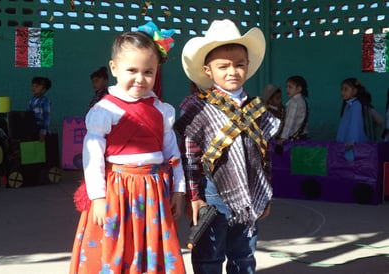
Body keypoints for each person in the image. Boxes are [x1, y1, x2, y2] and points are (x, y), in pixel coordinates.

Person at [69, 21, 186, 274]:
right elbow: (93, 156)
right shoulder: (104, 110)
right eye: (131, 70)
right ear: (114, 68)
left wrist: (178, 189)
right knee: (116, 247)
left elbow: (172, 154)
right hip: (116, 191)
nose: (140, 79)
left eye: (148, 72)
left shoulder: (162, 111)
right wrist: (97, 197)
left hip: (154, 191)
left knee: (150, 248)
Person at [174, 19, 280, 274]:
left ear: (248, 66)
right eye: (223, 66)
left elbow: (264, 155)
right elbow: (190, 157)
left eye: (239, 65)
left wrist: (265, 194)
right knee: (208, 256)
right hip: (211, 194)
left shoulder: (257, 108)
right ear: (208, 70)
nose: (232, 71)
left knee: (244, 256)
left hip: (249, 196)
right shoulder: (198, 107)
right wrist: (195, 197)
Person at [278, 75, 309, 144]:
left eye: (290, 87)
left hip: (295, 138)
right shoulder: (303, 101)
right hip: (303, 136)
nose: (287, 89)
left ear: (299, 89)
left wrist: (283, 137)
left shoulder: (294, 102)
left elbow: (290, 121)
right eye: (287, 87)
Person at [27, 76, 51, 142]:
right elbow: (28, 115)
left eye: (37, 86)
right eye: (33, 86)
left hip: (41, 131)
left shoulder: (45, 101)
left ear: (44, 90)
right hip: (32, 130)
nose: (33, 88)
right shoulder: (31, 101)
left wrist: (43, 132)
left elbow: (46, 117)